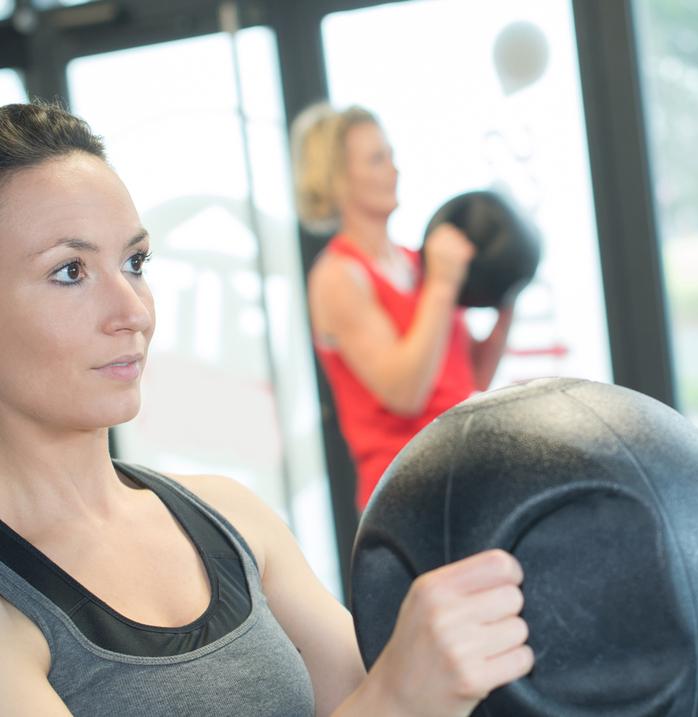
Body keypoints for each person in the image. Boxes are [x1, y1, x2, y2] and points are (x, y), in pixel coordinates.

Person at [0, 101, 533, 716]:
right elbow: (389, 701)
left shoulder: (232, 517)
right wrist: (401, 697)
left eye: (135, 263)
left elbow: (375, 695)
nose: (135, 313)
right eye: (71, 271)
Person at [291, 104, 515, 510]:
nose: (394, 170)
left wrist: (507, 297)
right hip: (408, 495)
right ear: (338, 180)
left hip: (468, 473)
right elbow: (406, 393)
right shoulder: (338, 276)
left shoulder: (420, 262)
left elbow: (471, 378)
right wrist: (444, 286)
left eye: (391, 156)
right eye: (377, 159)